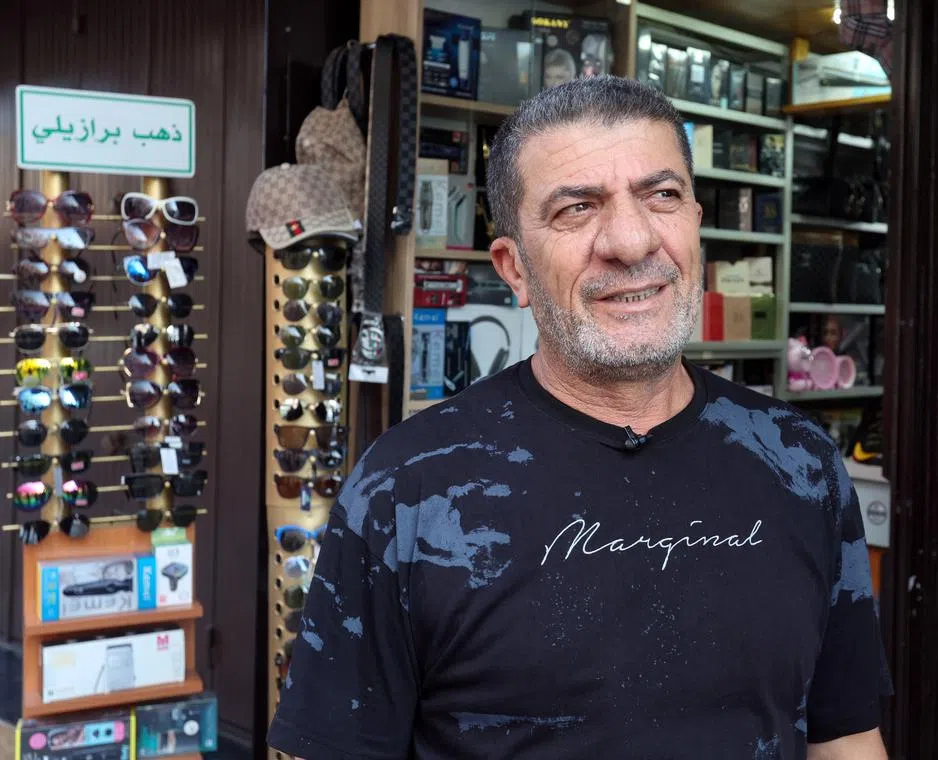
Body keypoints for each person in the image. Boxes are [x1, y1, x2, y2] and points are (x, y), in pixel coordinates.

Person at [268, 76, 891, 760]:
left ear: (696, 228)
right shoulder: (407, 487)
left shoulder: (801, 463)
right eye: (576, 209)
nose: (629, 240)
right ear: (514, 268)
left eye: (662, 196)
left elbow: (846, 737)